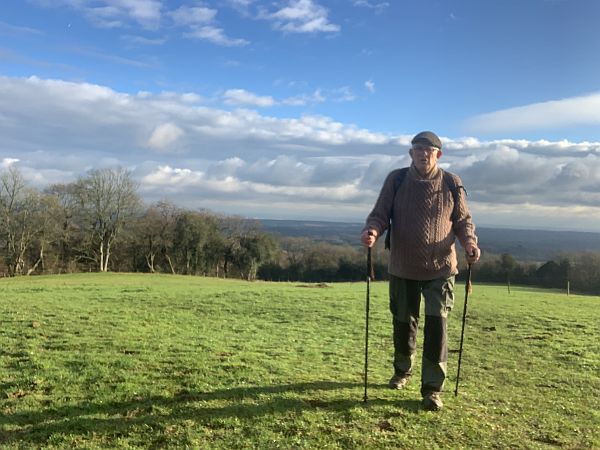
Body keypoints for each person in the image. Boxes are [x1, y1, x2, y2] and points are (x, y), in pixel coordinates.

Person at [360, 130, 480, 411]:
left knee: (437, 328)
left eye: (429, 150)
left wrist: (470, 244)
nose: (423, 154)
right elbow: (380, 213)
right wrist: (372, 231)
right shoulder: (397, 179)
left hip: (441, 268)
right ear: (410, 153)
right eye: (418, 150)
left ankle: (432, 390)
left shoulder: (452, 182)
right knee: (403, 324)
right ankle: (402, 371)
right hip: (403, 267)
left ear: (439, 154)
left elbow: (462, 221)